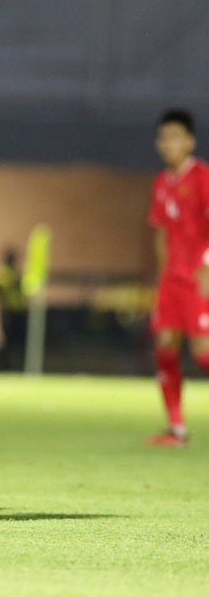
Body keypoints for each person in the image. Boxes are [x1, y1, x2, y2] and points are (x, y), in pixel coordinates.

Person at [147, 109, 207, 447]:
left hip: (199, 277)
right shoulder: (160, 183)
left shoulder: (202, 177)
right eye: (163, 137)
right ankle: (177, 428)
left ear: (190, 141)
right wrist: (162, 276)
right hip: (171, 282)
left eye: (175, 137)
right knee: (165, 349)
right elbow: (160, 234)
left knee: (202, 354)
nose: (168, 143)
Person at [0, 249, 27, 371]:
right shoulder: (5, 274)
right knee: (8, 341)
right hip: (8, 311)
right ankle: (4, 367)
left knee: (13, 341)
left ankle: (14, 366)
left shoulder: (12, 273)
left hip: (16, 310)